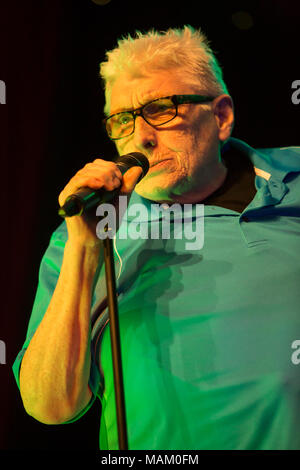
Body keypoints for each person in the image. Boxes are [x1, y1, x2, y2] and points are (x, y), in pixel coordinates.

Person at [13, 25, 300, 450]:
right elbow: (50, 406)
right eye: (123, 120)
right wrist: (84, 248)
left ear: (220, 116)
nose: (141, 137)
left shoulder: (292, 178)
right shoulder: (87, 235)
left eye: (163, 109)